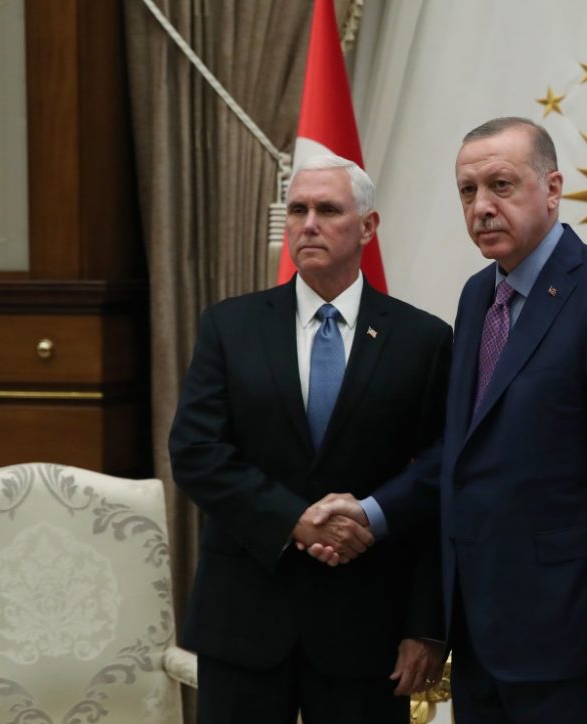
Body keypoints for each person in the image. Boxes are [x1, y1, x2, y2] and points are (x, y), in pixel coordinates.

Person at [310, 118, 587, 723]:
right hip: (480, 641)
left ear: (553, 189)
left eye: (501, 185)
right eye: (467, 191)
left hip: (577, 641)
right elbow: (461, 455)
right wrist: (371, 512)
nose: (482, 207)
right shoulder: (478, 295)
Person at [168, 154, 451, 723]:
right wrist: (293, 519)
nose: (309, 224)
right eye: (297, 210)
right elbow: (197, 452)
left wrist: (427, 626)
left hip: (367, 623)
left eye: (328, 209)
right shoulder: (230, 326)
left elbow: (440, 474)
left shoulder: (422, 338)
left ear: (367, 228)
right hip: (245, 617)